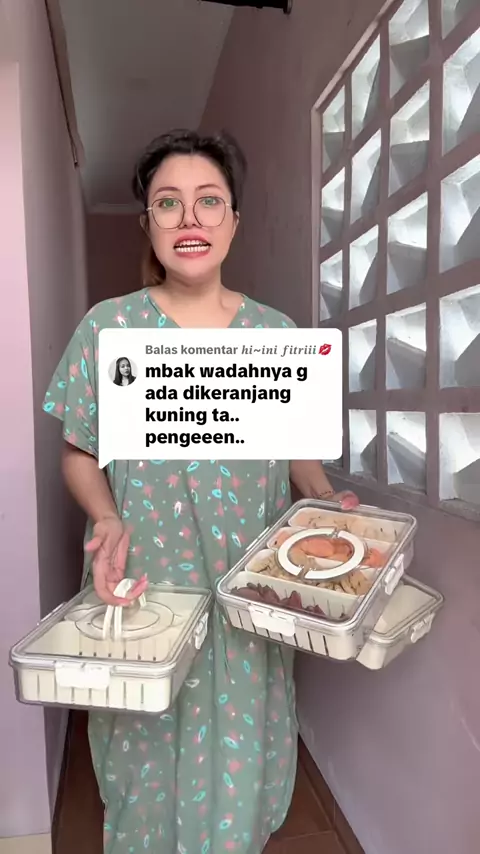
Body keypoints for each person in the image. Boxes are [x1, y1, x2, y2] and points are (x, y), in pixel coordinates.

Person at [43, 129, 359, 854]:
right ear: (148, 223)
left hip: (250, 591)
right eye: (169, 202)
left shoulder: (276, 335)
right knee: (143, 752)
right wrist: (105, 515)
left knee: (239, 755)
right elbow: (79, 453)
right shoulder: (109, 329)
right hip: (146, 584)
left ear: (234, 221)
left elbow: (297, 458)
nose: (190, 218)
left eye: (209, 201)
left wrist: (328, 509)